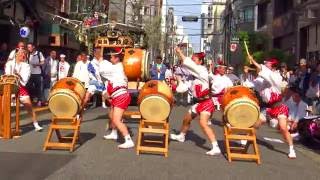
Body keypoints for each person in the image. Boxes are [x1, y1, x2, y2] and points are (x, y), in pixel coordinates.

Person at [171, 48, 221, 156]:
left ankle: (215, 146)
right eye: (192, 59)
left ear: (200, 62)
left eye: (194, 60)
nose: (192, 61)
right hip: (198, 103)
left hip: (206, 102)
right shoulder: (196, 74)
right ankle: (182, 135)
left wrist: (180, 52)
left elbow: (188, 63)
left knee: (203, 123)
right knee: (186, 118)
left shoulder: (201, 70)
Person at [248, 55, 297, 158]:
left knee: (283, 128)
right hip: (268, 107)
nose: (265, 64)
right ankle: (246, 141)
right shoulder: (262, 80)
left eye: (268, 63)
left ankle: (291, 149)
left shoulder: (276, 77)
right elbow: (255, 81)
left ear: (273, 67)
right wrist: (252, 66)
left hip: (279, 106)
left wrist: (253, 61)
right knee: (256, 124)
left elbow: (263, 70)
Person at [101, 48, 134, 149]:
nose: (110, 59)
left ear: (116, 58)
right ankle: (114, 132)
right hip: (117, 96)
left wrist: (100, 60)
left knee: (116, 119)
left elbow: (101, 71)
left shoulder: (116, 68)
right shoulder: (117, 68)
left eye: (111, 57)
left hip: (121, 96)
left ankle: (128, 140)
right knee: (111, 115)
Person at [4, 49, 43, 131]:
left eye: (25, 54)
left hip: (21, 87)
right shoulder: (9, 63)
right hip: (9, 87)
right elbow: (7, 75)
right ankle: (4, 126)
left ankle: (36, 124)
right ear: (16, 55)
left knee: (29, 106)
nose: (23, 56)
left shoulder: (26, 66)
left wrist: (18, 75)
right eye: (22, 54)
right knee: (4, 106)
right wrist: (12, 75)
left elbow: (25, 79)